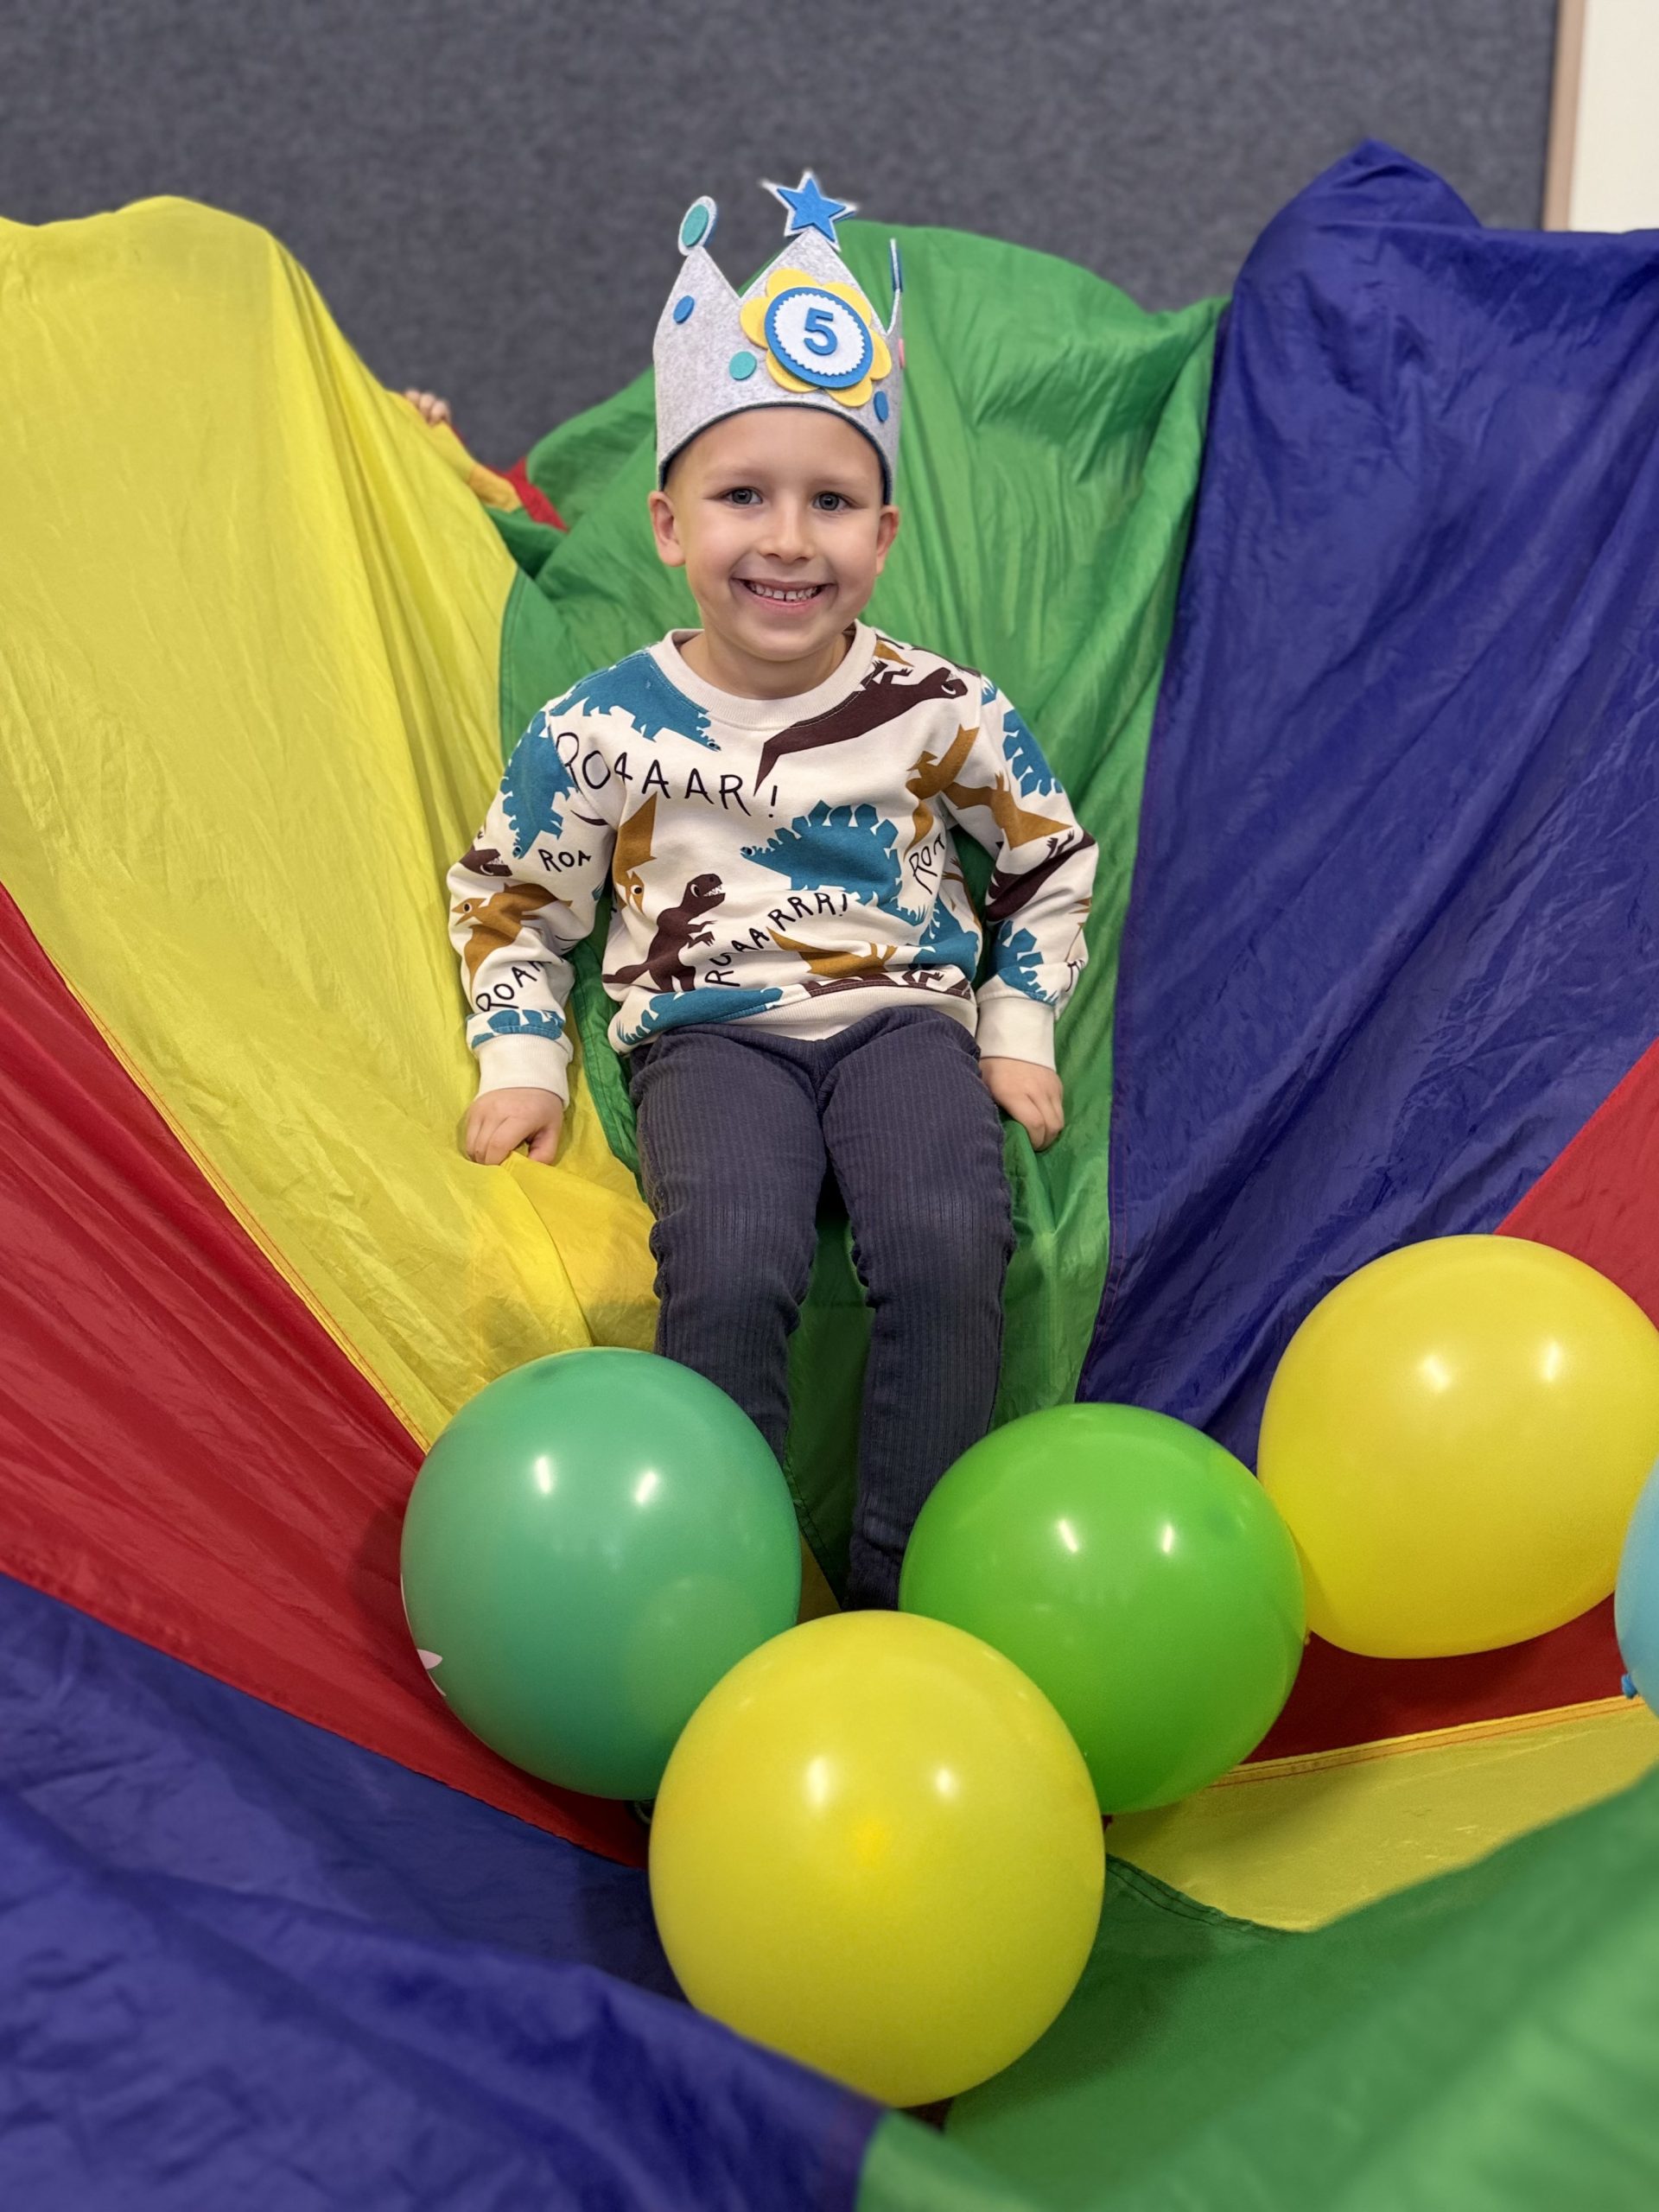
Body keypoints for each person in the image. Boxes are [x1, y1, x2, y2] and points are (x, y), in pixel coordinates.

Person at [447, 175, 1096, 1607]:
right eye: (744, 497)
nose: (790, 539)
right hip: (710, 1035)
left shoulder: (942, 709)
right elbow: (514, 898)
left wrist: (1017, 1026)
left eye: (832, 503)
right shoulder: (601, 727)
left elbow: (1049, 857)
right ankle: (724, 1584)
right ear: (670, 525)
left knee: (948, 1244)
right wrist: (522, 1056)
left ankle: (904, 1591)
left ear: (885, 534)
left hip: (903, 1022)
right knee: (733, 1264)